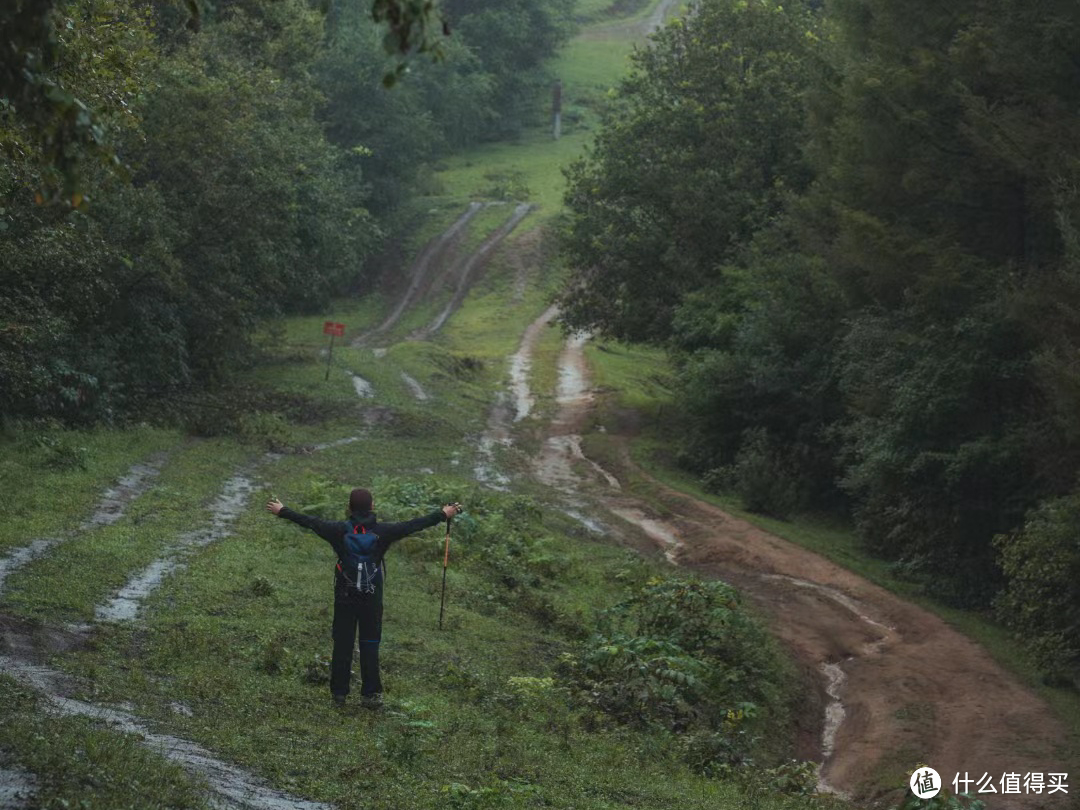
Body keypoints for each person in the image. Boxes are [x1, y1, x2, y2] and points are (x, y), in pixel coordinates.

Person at [266, 487, 462, 708]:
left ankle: (339, 694)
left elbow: (309, 521)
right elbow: (413, 525)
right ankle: (370, 695)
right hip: (371, 597)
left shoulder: (337, 530)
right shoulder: (384, 531)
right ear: (372, 507)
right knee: (370, 643)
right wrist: (443, 514)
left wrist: (282, 510)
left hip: (344, 596)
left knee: (342, 644)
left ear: (349, 508)